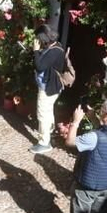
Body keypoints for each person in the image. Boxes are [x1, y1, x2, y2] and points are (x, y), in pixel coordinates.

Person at [31, 25, 72, 155]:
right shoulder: (55, 46)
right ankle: (48, 134)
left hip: (49, 87)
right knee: (48, 111)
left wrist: (35, 51)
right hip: (52, 86)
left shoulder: (54, 51)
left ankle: (44, 143)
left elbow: (39, 66)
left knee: (42, 113)